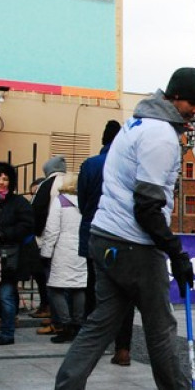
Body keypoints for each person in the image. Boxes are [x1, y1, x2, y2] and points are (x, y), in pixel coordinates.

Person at [41, 67, 195, 390]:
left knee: (100, 325)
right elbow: (146, 206)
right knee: (160, 327)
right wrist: (176, 251)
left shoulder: (137, 124)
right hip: (134, 245)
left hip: (106, 238)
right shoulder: (160, 135)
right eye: (193, 103)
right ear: (174, 97)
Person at [77, 120, 134, 365]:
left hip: (94, 232)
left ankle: (92, 348)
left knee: (94, 292)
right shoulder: (128, 164)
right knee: (126, 294)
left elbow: (82, 203)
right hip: (123, 235)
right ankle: (123, 348)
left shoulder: (90, 165)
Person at [0, 162, 34, 346]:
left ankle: (7, 333)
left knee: (6, 295)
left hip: (9, 258)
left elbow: (27, 225)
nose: (1, 182)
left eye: (5, 178)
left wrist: (5, 234)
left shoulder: (19, 202)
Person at [41, 173, 87, 343]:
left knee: (55, 288)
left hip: (63, 249)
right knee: (79, 287)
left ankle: (65, 324)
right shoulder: (86, 201)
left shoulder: (60, 201)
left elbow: (52, 230)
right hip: (81, 247)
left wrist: (46, 252)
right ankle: (78, 324)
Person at [31, 155, 68, 321]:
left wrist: (37, 236)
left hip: (49, 238)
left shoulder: (47, 184)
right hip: (70, 241)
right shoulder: (71, 183)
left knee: (50, 281)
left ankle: (56, 319)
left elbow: (37, 212)